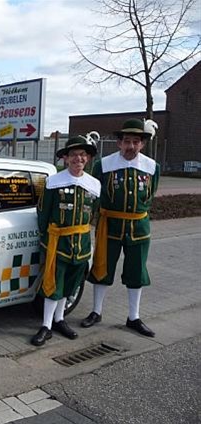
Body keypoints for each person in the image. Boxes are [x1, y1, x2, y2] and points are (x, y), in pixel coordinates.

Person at [82, 118, 160, 337]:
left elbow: (149, 195)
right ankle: (96, 312)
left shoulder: (152, 167)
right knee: (102, 267)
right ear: (119, 143)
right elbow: (94, 196)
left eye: (136, 141)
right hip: (110, 224)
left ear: (142, 144)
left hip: (139, 227)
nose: (131, 146)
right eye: (127, 141)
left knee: (137, 271)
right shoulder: (104, 165)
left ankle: (133, 317)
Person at [31, 135, 100, 346]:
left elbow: (93, 213)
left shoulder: (94, 184)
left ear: (87, 158)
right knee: (53, 285)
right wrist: (46, 240)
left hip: (81, 245)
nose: (78, 159)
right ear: (66, 159)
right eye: (73, 155)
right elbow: (43, 214)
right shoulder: (53, 182)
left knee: (70, 285)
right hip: (57, 243)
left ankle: (60, 320)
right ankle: (46, 326)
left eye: (82, 155)